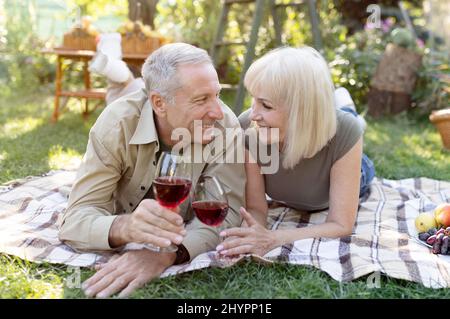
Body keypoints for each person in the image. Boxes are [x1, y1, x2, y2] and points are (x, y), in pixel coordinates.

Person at [58, 43, 246, 298]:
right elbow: (75, 219)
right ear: (159, 103)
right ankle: (123, 79)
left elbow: (227, 216)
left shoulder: (225, 126)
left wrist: (167, 254)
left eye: (217, 95)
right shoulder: (117, 125)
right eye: (201, 99)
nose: (216, 111)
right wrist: (126, 227)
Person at [216, 46, 375, 257]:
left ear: (300, 112)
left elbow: (340, 224)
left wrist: (274, 239)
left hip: (352, 166)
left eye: (266, 105)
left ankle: (348, 108)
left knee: (351, 124)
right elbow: (257, 209)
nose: (253, 114)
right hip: (315, 128)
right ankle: (344, 105)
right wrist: (250, 234)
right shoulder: (248, 128)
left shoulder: (345, 133)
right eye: (253, 99)